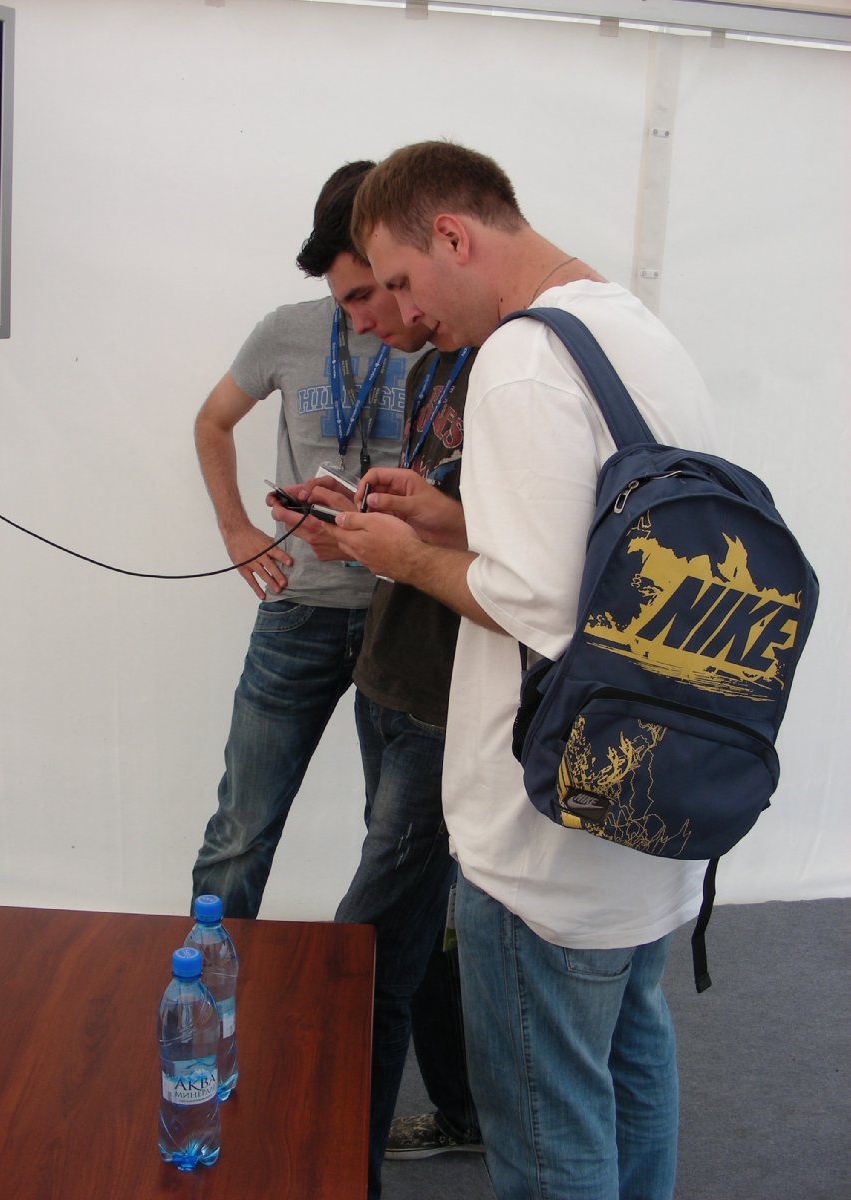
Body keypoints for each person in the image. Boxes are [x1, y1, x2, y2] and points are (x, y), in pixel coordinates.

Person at [325, 141, 717, 1200]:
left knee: (548, 1128)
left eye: (402, 280)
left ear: (453, 236)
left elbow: (540, 608)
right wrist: (453, 518)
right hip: (653, 799)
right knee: (631, 1062)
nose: (405, 313)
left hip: (545, 835)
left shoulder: (520, 360)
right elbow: (607, 551)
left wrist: (403, 557)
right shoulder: (633, 330)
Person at [269, 342, 483, 1197]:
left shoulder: (522, 371)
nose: (373, 320)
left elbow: (530, 557)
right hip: (387, 680)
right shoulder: (430, 369)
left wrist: (404, 541)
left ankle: (336, 1176)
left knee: (362, 954)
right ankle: (462, 1111)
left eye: (381, 290)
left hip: (444, 705)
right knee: (410, 927)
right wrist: (356, 525)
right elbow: (428, 523)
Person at [190, 161, 431, 918]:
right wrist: (236, 529)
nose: (364, 313)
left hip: (404, 614)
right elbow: (212, 421)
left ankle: (379, 987)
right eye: (348, 294)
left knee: (394, 842)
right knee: (241, 828)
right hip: (301, 607)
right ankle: (208, 977)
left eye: (370, 288)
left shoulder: (437, 331)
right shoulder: (286, 331)